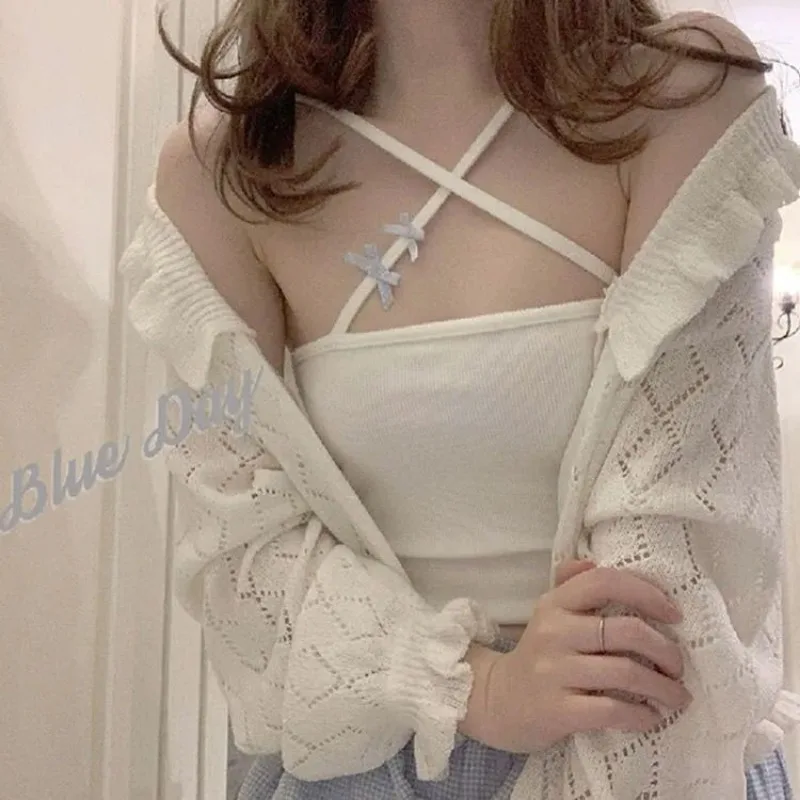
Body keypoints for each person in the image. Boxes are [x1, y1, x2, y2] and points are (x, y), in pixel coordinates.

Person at [120, 1, 800, 797]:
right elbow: (242, 550)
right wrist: (474, 688)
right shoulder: (225, 171)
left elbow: (674, 562)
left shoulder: (681, 95)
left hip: (646, 753)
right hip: (359, 762)